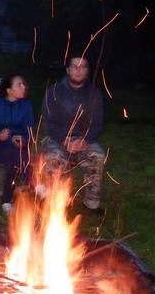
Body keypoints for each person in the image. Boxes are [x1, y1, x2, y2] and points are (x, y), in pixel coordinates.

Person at [41, 53, 106, 213]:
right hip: (57, 138)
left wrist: (85, 140)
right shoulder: (54, 91)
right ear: (68, 70)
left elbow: (97, 124)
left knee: (97, 155)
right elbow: (48, 122)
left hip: (83, 140)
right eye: (75, 66)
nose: (78, 70)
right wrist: (64, 140)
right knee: (55, 157)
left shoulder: (94, 94)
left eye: (83, 67)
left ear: (87, 71)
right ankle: (55, 200)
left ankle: (91, 202)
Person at [0, 74, 34, 214]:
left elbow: (30, 131)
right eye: (19, 84)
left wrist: (23, 139)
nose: (24, 87)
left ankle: (6, 201)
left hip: (21, 148)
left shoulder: (26, 106)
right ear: (9, 90)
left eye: (24, 84)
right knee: (13, 153)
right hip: (0, 148)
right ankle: (34, 182)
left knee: (14, 156)